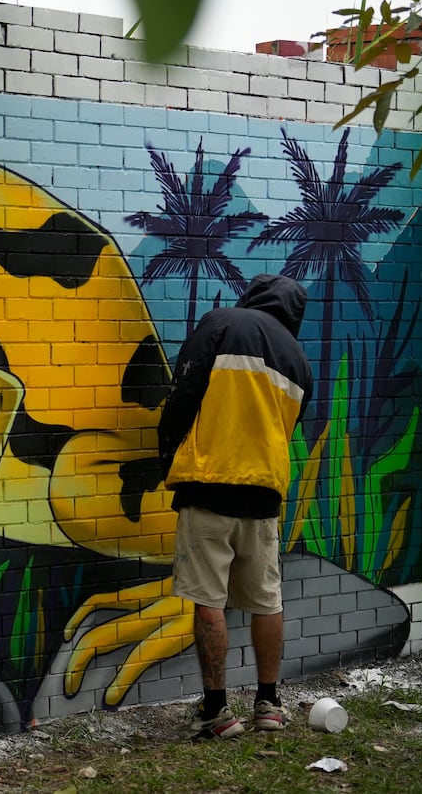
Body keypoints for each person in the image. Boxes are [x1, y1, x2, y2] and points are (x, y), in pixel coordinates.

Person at [158, 273, 311, 739]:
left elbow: (184, 390)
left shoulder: (222, 323)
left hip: (209, 483)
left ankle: (218, 711)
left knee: (208, 598)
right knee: (267, 599)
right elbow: (289, 427)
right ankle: (269, 703)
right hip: (264, 493)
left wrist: (167, 453)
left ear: (254, 296)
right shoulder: (299, 361)